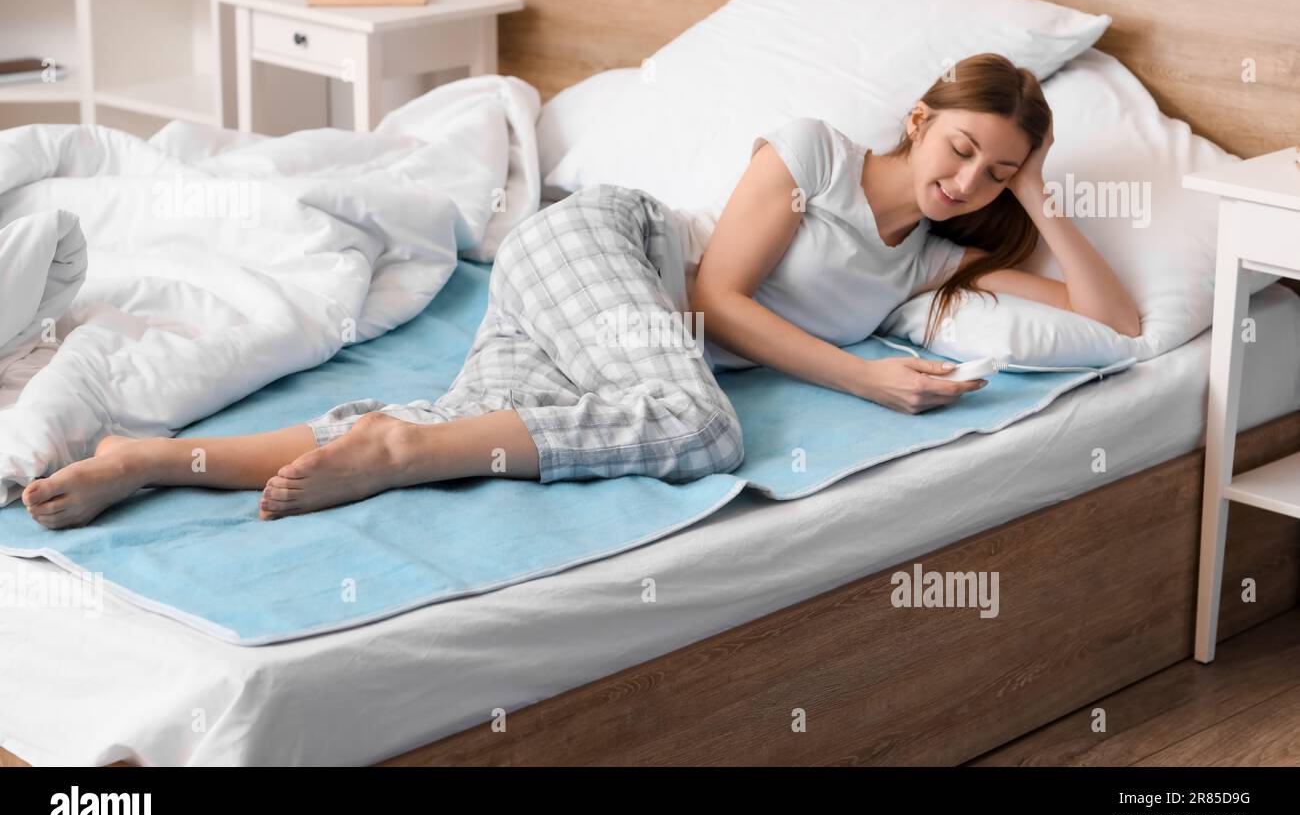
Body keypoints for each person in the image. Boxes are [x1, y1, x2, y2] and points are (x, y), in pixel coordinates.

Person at [21, 53, 1140, 529]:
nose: (961, 181)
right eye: (958, 148)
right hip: (603, 248)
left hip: (616, 334)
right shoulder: (815, 155)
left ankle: (151, 459)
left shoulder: (929, 254)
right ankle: (405, 456)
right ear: (916, 118)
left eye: (989, 170)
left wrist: (1037, 196)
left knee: (428, 420)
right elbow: (719, 299)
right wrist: (863, 377)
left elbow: (1119, 322)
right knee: (700, 425)